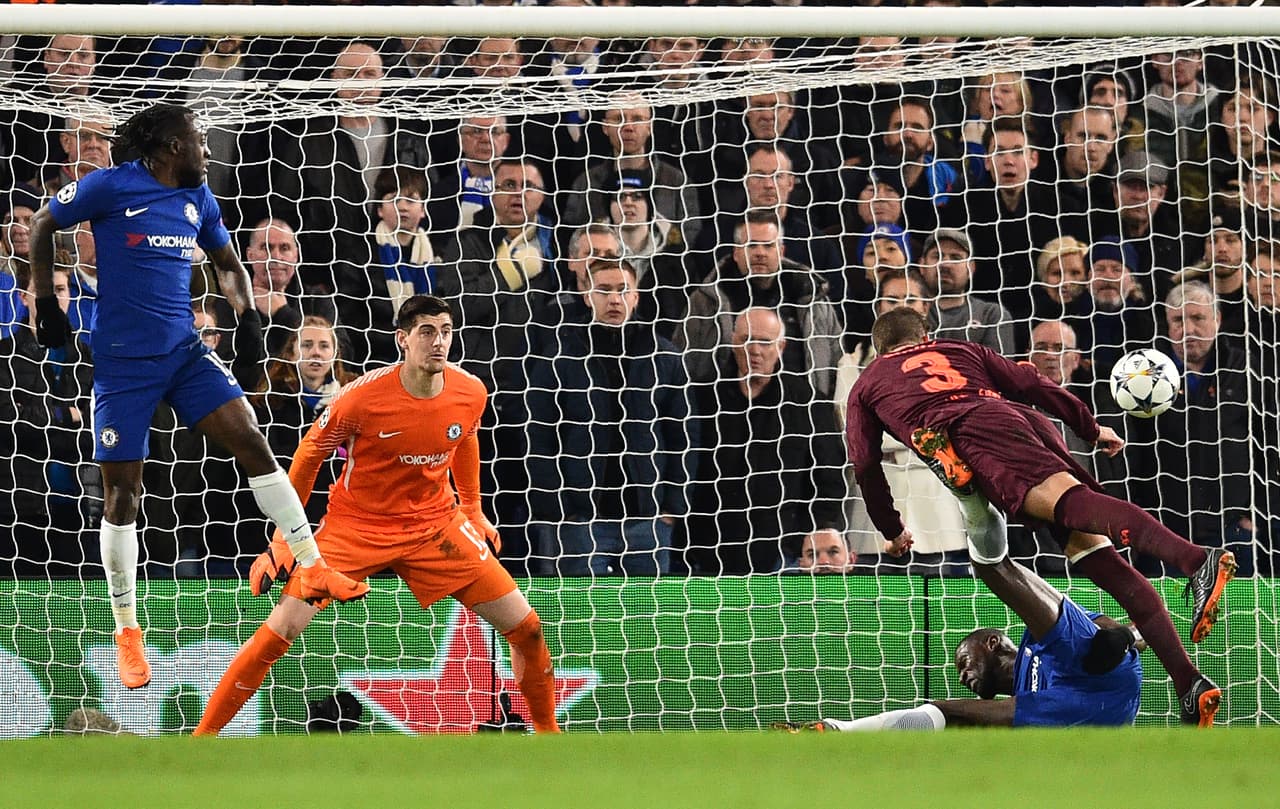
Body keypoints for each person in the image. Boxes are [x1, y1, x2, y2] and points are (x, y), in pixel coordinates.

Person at [26, 102, 368, 691]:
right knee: (123, 494)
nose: (207, 151)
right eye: (197, 140)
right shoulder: (107, 187)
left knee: (254, 442)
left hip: (186, 354)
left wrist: (247, 319)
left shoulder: (199, 201)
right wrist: (49, 302)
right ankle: (127, 628)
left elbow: (228, 263)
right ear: (167, 147)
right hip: (123, 367)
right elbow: (41, 225)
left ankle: (312, 568)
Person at [844, 306, 1233, 725]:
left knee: (1072, 507)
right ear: (924, 337)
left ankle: (1196, 560)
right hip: (1020, 421)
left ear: (879, 348)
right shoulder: (959, 349)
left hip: (972, 432)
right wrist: (1088, 427)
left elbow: (864, 464)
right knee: (1102, 561)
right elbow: (1030, 381)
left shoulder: (866, 385)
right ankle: (1188, 682)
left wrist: (892, 527)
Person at [194, 294, 562, 736]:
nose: (439, 341)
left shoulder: (470, 391)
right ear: (403, 339)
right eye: (427, 332)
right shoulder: (361, 398)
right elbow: (310, 454)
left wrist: (472, 509)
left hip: (435, 527)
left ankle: (547, 736)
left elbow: (465, 437)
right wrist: (282, 538)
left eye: (445, 331)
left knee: (528, 629)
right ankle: (203, 740)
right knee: (281, 630)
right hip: (356, 528)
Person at [785, 493, 1148, 730]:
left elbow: (1094, 626)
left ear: (991, 643)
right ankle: (837, 731)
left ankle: (975, 496)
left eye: (964, 662)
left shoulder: (1032, 641)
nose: (962, 675)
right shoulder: (1025, 703)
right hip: (1085, 708)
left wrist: (1126, 635)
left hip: (1097, 674)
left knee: (996, 573)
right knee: (956, 715)